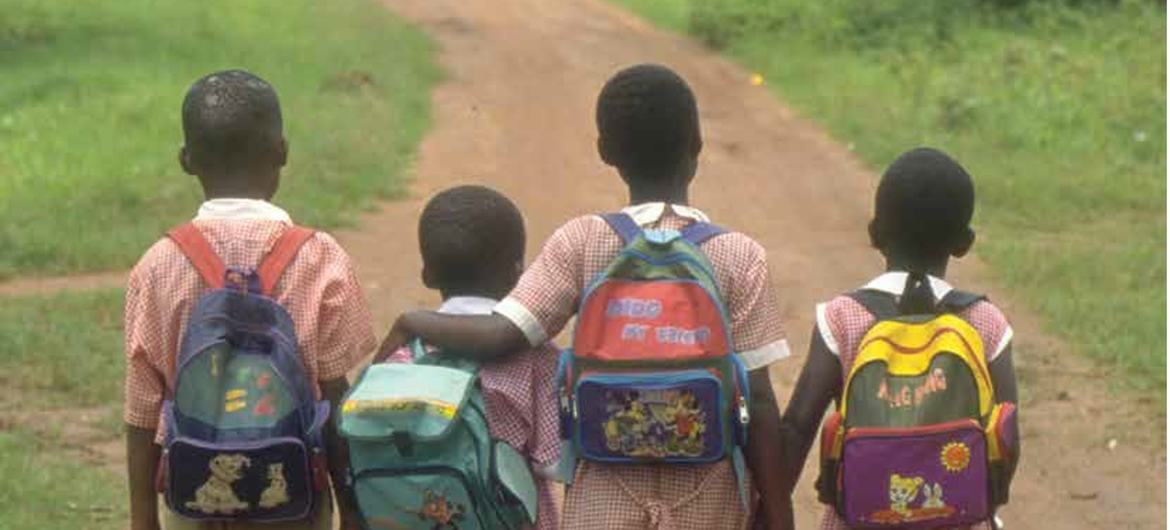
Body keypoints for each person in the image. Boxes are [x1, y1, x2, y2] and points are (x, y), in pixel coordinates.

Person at [378, 64, 792, 530]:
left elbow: (502, 335)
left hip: (603, 495)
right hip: (707, 498)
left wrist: (414, 322)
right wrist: (778, 513)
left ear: (605, 151)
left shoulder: (583, 240)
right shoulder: (738, 255)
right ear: (696, 144)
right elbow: (758, 402)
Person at [123, 70, 375, 530]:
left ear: (186, 160)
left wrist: (143, 520)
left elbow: (142, 410)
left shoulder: (156, 266)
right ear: (282, 152)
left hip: (193, 497)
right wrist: (353, 512)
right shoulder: (321, 258)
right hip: (294, 495)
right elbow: (337, 401)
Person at [776, 147, 1020, 530]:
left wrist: (769, 511)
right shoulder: (985, 322)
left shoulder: (843, 317)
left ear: (875, 233)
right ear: (964, 243)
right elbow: (1007, 439)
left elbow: (796, 427)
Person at [380, 184, 561, 529]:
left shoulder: (404, 352)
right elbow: (553, 462)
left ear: (428, 275)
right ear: (517, 271)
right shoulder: (536, 357)